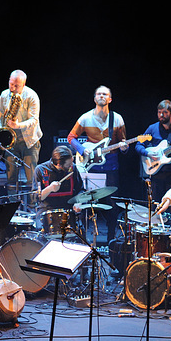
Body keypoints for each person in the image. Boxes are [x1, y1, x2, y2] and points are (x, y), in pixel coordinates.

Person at [67, 85, 127, 236]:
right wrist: (82, 150)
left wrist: (124, 148)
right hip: (90, 167)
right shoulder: (85, 117)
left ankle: (111, 238)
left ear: (110, 99)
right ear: (94, 98)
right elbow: (71, 137)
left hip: (110, 166)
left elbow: (123, 143)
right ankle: (83, 237)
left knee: (111, 202)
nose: (101, 96)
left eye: (105, 94)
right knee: (84, 201)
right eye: (99, 94)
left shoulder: (117, 118)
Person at [134, 100, 171, 225]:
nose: (161, 115)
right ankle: (154, 233)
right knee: (154, 205)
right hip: (155, 173)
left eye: (165, 112)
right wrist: (148, 153)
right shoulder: (152, 128)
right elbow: (138, 146)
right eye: (159, 112)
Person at [0, 70, 42, 209]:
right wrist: (1, 128)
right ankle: (12, 207)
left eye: (17, 86)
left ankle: (33, 208)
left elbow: (34, 119)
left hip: (29, 141)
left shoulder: (32, 96)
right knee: (11, 177)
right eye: (11, 84)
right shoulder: (4, 94)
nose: (13, 88)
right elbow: (0, 114)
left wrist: (18, 125)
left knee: (31, 178)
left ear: (24, 84)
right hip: (12, 141)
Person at [34, 145, 84, 232]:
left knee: (80, 229)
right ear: (59, 165)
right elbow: (36, 198)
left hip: (68, 209)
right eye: (69, 164)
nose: (71, 165)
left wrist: (79, 202)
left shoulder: (73, 168)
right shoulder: (40, 170)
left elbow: (81, 189)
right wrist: (49, 189)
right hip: (47, 210)